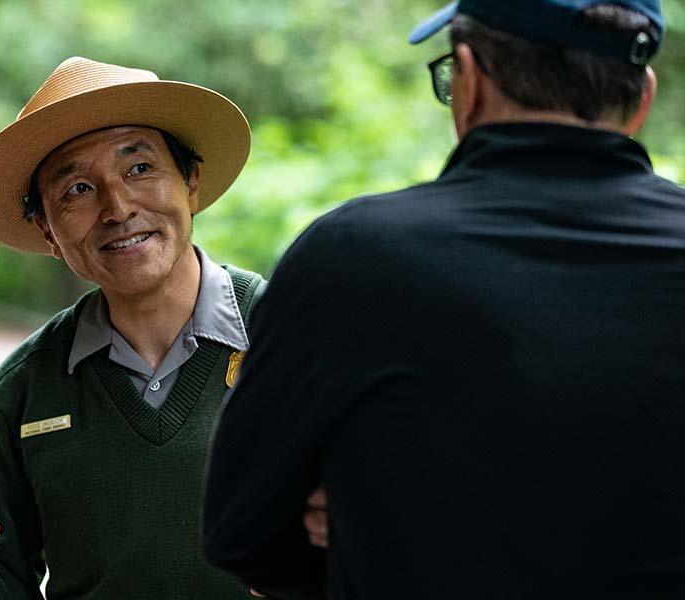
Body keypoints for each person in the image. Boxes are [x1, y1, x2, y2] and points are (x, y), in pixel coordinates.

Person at [203, 0, 685, 598]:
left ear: (469, 80)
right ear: (643, 98)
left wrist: (370, 529)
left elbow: (239, 531)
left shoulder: (353, 258)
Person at [0, 57, 314, 600]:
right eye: (76, 189)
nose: (117, 208)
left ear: (190, 181)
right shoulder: (31, 384)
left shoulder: (295, 334)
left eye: (140, 168)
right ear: (48, 232)